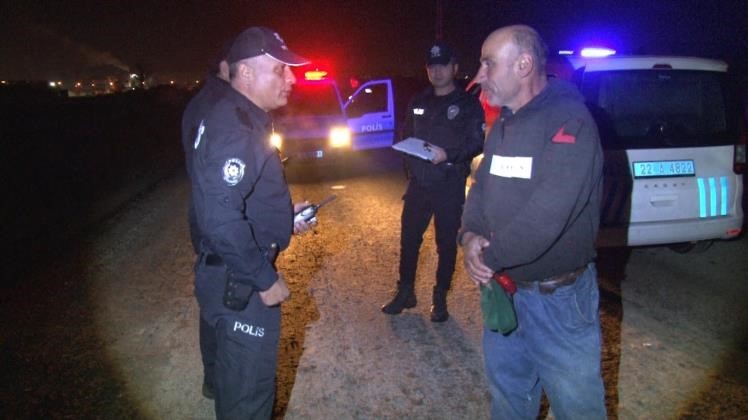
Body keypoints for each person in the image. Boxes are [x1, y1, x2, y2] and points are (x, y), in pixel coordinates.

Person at [459, 25, 607, 419]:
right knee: (509, 399)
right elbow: (481, 188)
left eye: (488, 64)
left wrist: (488, 258)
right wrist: (469, 235)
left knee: (578, 408)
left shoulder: (568, 121)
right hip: (505, 292)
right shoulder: (504, 123)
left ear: (524, 65)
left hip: (557, 301)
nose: (478, 77)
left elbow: (547, 217)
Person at [186, 26, 310, 419]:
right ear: (245, 73)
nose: (291, 78)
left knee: (234, 386)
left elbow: (232, 199)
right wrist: (264, 278)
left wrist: (282, 221)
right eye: (280, 69)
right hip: (238, 282)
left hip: (229, 274)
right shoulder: (238, 127)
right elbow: (219, 217)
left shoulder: (240, 117)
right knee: (248, 400)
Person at [382, 41, 484, 322]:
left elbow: (476, 141)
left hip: (449, 184)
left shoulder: (467, 104)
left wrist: (448, 155)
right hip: (419, 184)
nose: (437, 71)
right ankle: (405, 292)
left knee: (446, 244)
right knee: (409, 240)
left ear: (454, 67)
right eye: (431, 66)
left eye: (442, 65)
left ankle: (440, 298)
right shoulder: (418, 100)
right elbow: (404, 133)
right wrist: (408, 167)